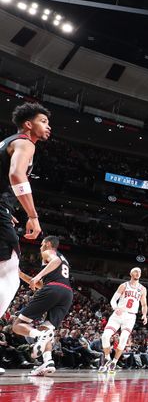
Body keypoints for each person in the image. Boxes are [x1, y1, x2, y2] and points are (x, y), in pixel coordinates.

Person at [0, 102, 52, 356]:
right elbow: (16, 175)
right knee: (8, 273)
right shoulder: (25, 142)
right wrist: (32, 215)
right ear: (28, 124)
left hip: (3, 209)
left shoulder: (7, 141)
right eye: (43, 121)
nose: (48, 126)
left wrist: (8, 212)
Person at [13, 235, 74, 376]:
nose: (40, 247)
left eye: (41, 244)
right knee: (46, 328)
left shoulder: (49, 253)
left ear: (47, 244)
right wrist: (21, 275)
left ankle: (38, 336)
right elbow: (42, 285)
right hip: (67, 293)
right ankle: (48, 361)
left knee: (17, 325)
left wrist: (37, 276)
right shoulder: (64, 260)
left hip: (54, 289)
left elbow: (55, 261)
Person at [98, 267, 148, 373]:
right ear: (131, 273)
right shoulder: (123, 285)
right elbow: (113, 300)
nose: (138, 273)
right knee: (105, 336)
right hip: (118, 314)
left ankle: (114, 362)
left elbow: (144, 304)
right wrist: (116, 308)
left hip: (130, 316)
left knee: (124, 338)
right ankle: (108, 358)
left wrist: (144, 314)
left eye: (139, 272)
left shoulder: (142, 289)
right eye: (135, 271)